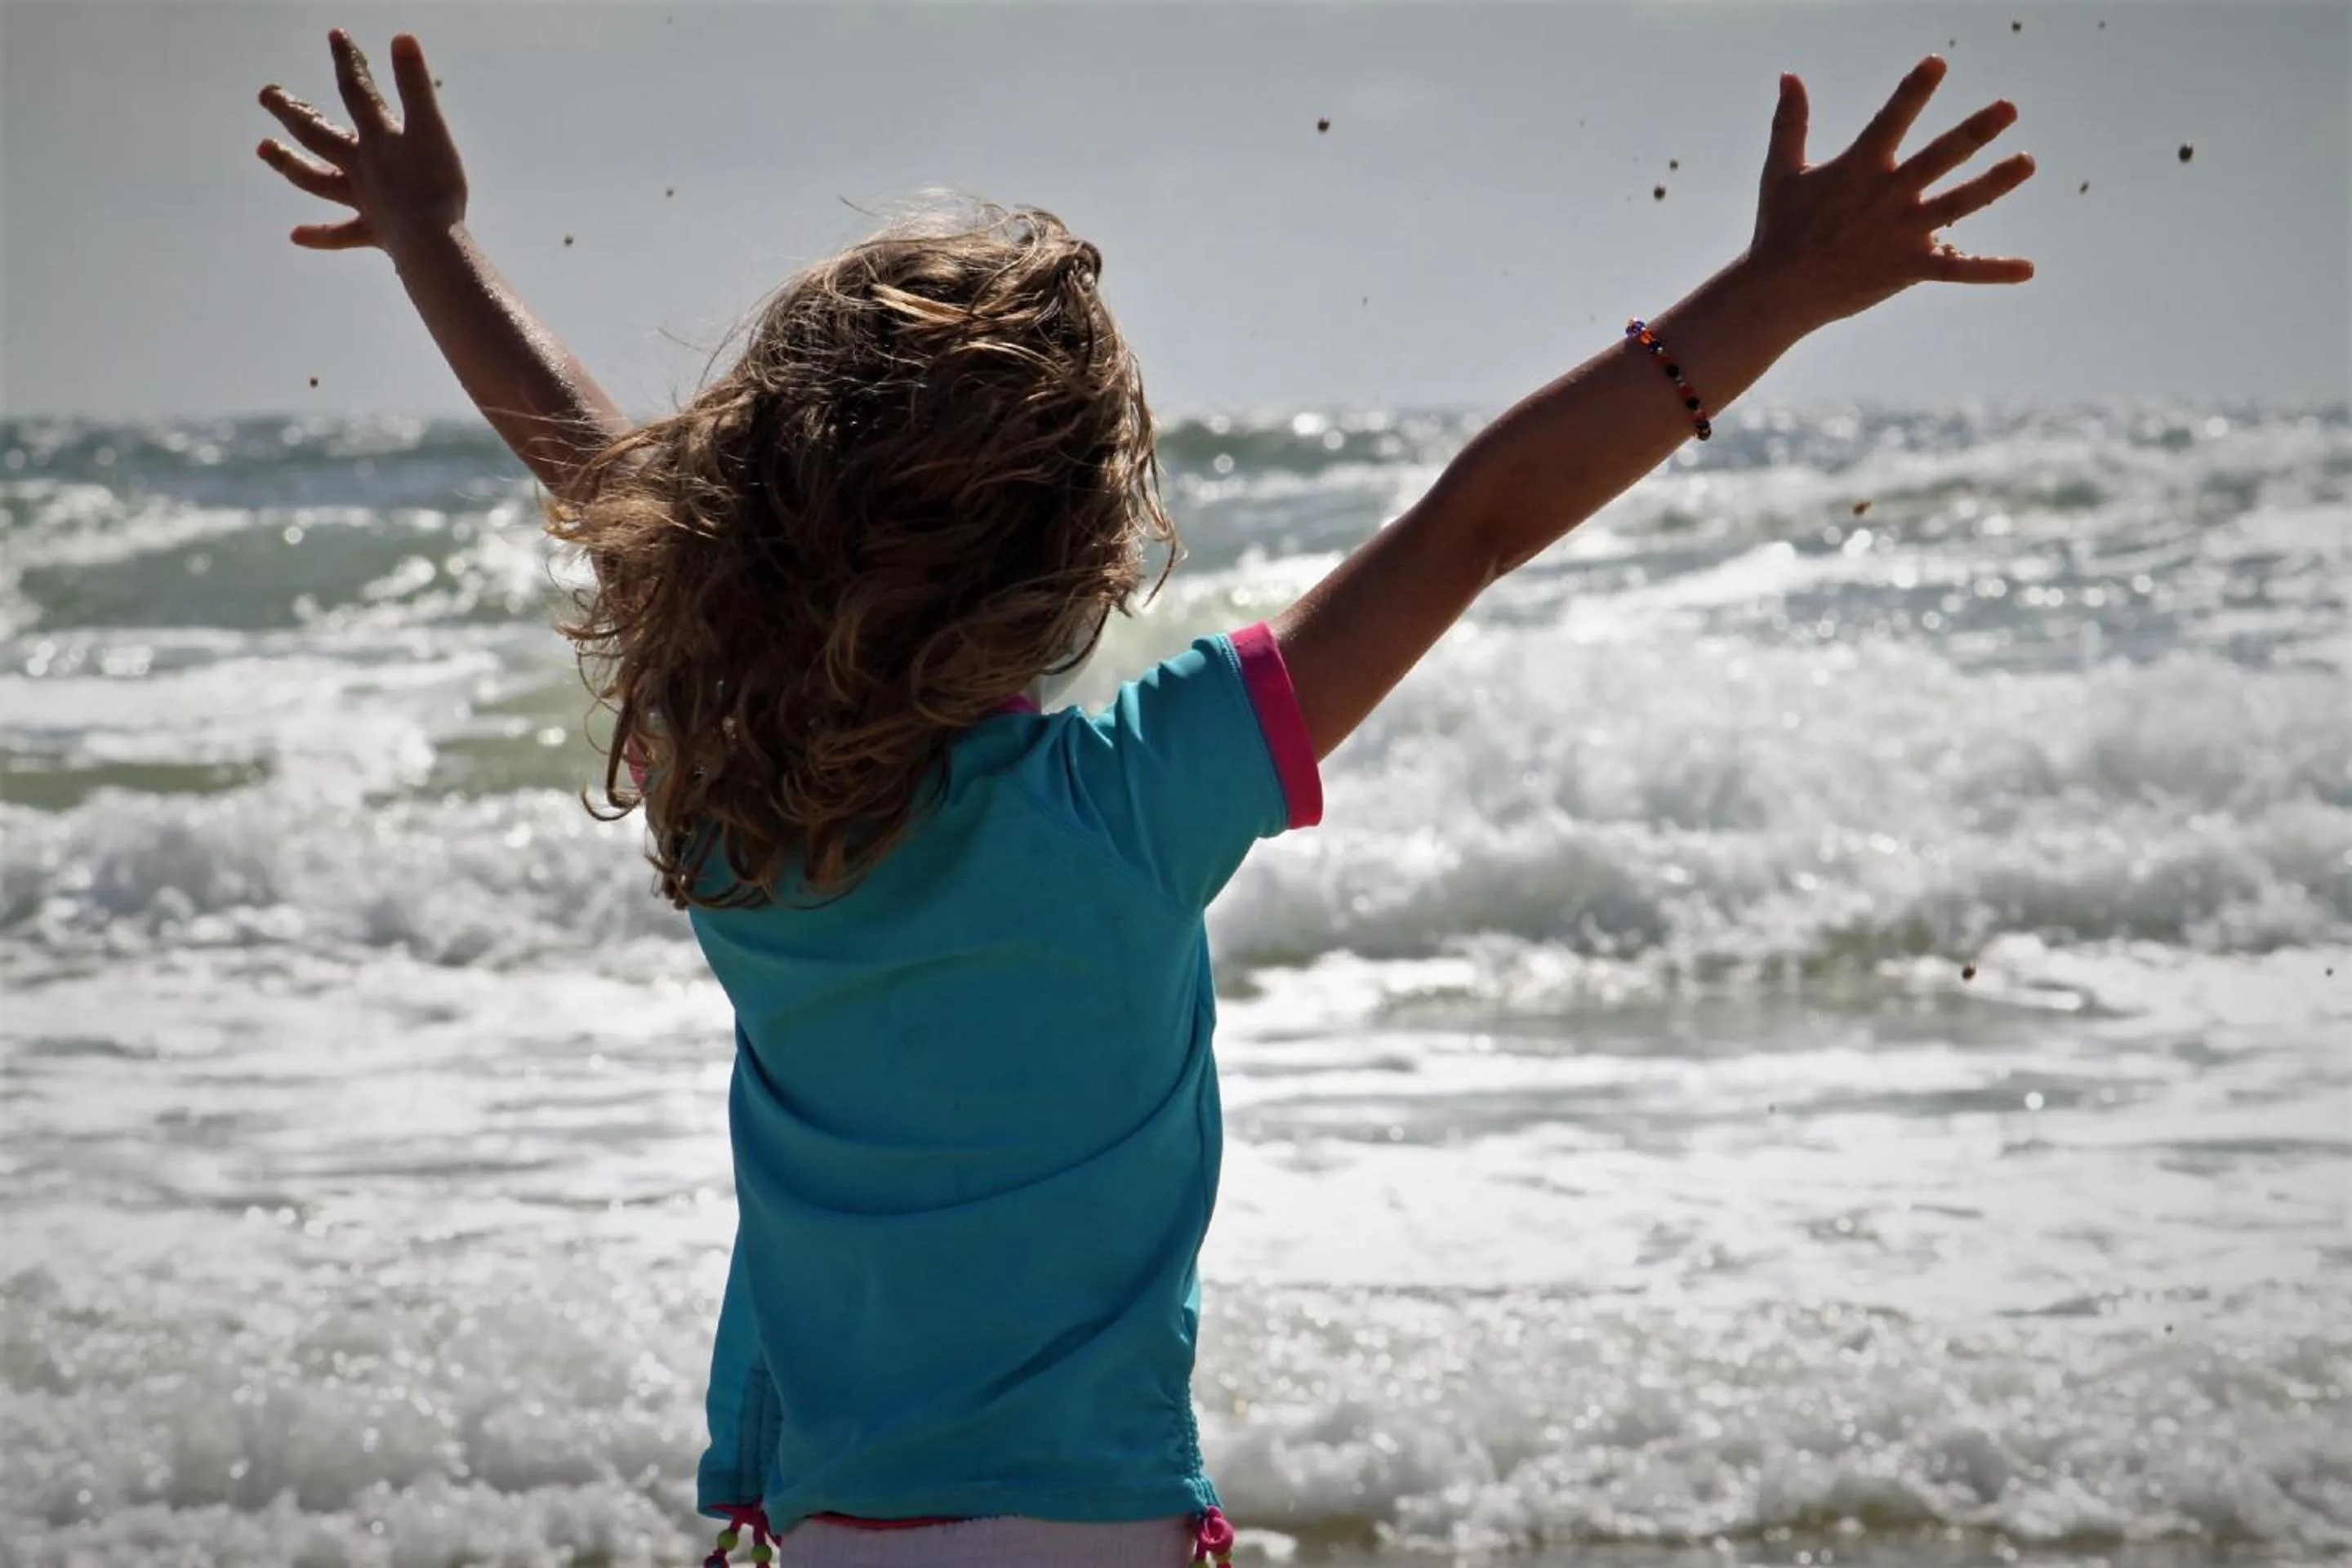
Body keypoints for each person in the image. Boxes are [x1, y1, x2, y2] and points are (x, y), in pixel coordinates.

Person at [254, 29, 2033, 1566]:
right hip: (1095, 1519)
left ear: (759, 520)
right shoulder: (1128, 798)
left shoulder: (746, 825)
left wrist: (429, 235)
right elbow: (1476, 520)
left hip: (834, 1521)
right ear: (1076, 553)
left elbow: (596, 469)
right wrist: (1779, 294)